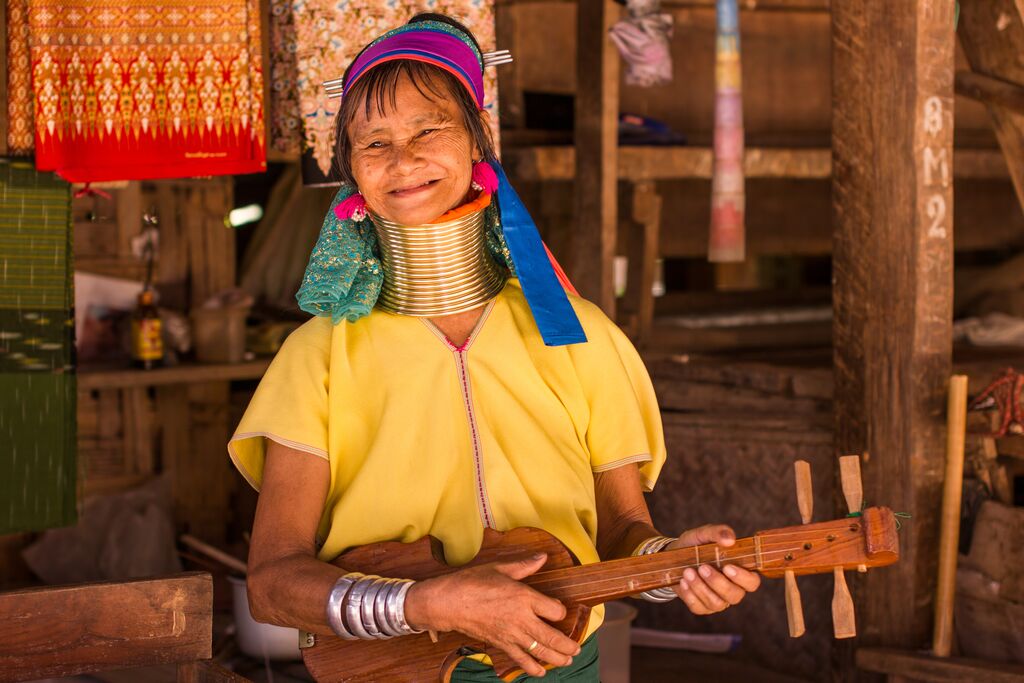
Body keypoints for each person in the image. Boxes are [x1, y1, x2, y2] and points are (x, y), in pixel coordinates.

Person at [228, 13, 760, 681]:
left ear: (479, 141)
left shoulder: (579, 334)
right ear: (352, 175)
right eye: (374, 143)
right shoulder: (319, 357)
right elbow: (272, 582)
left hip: (558, 667)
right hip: (388, 670)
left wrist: (672, 565)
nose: (403, 159)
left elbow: (623, 533)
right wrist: (422, 602)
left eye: (430, 128)